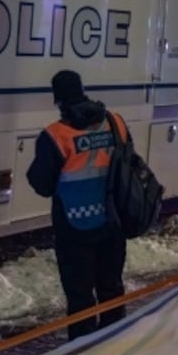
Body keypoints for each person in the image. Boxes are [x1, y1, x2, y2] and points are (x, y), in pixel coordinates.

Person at [27, 69, 129, 340]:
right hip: (112, 222)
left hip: (74, 228)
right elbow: (127, 164)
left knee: (80, 297)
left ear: (59, 100)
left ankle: (82, 354)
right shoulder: (115, 122)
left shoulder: (55, 136)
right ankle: (114, 344)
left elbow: (42, 185)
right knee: (111, 289)